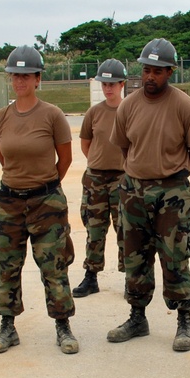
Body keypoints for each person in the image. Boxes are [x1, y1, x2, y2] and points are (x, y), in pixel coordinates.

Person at [107, 38, 190, 351]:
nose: (150, 76)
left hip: (172, 191)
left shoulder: (183, 105)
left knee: (175, 255)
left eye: (158, 71)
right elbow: (123, 145)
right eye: (147, 70)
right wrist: (137, 173)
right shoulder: (129, 105)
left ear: (170, 72)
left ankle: (184, 319)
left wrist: (175, 176)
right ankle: (138, 317)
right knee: (135, 255)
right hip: (134, 190)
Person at [0, 45, 77, 355]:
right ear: (10, 79)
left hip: (46, 202)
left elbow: (64, 159)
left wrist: (44, 187)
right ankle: (7, 327)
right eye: (15, 76)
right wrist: (21, 181)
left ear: (38, 79)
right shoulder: (0, 118)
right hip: (9, 202)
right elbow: (4, 156)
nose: (20, 81)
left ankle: (63, 326)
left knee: (54, 266)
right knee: (6, 266)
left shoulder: (52, 115)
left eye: (27, 76)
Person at [72, 58, 127, 298]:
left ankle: (131, 277)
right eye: (105, 83)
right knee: (94, 229)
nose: (108, 88)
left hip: (123, 178)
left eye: (113, 83)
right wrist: (98, 161)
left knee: (126, 230)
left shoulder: (130, 110)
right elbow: (86, 144)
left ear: (122, 84)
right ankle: (91, 276)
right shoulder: (94, 112)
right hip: (95, 178)